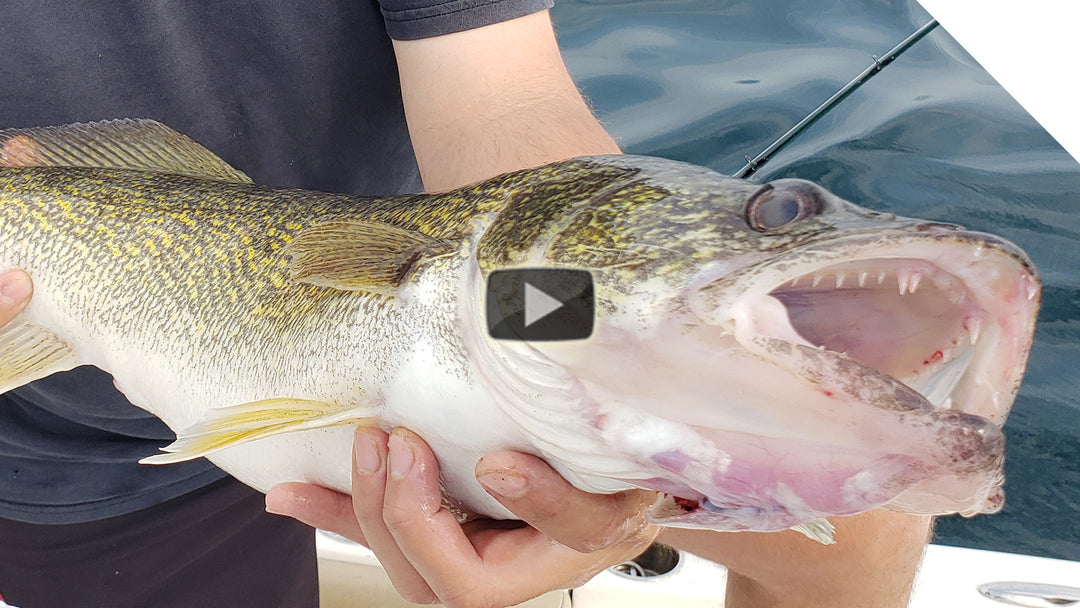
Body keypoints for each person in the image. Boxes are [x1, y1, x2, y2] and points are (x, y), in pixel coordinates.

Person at [0, 2, 932, 607]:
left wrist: (590, 329)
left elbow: (498, 99)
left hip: (441, 311)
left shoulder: (549, 303)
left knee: (869, 529)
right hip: (69, 455)